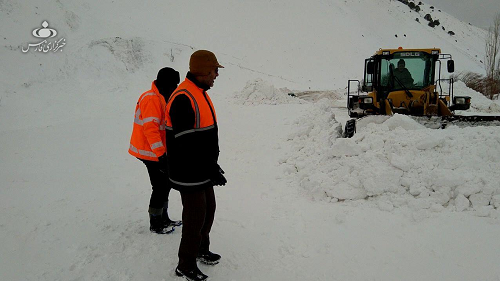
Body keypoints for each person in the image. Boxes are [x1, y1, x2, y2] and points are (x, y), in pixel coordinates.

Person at [165, 50, 227, 281]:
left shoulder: (198, 91)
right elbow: (186, 142)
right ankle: (186, 264)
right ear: (202, 71)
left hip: (201, 166)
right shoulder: (183, 97)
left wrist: (212, 165)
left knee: (208, 209)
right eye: (214, 70)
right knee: (195, 215)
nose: (216, 75)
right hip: (187, 169)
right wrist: (210, 167)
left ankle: (201, 249)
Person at [128, 67, 182, 234]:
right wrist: (161, 155)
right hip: (148, 151)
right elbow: (150, 130)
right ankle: (156, 222)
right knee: (160, 185)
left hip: (155, 151)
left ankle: (163, 217)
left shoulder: (161, 96)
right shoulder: (151, 99)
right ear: (166, 83)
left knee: (165, 184)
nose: (176, 88)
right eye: (174, 84)